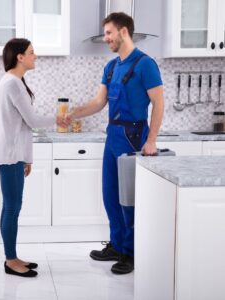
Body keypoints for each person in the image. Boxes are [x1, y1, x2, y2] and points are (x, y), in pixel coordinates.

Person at [66, 12, 164, 274]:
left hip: (134, 137)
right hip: (113, 137)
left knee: (128, 200)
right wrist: (73, 113)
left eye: (109, 33)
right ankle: (118, 245)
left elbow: (159, 103)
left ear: (123, 32)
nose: (106, 38)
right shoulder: (110, 68)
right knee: (110, 196)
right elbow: (99, 103)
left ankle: (131, 253)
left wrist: (152, 140)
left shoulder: (146, 64)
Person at [0, 38, 68, 278]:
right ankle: (11, 260)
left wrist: (27, 158)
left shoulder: (15, 82)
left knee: (12, 206)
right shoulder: (12, 83)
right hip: (10, 154)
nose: (36, 56)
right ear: (19, 57)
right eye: (32, 52)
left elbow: (22, 125)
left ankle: (12, 256)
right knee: (12, 207)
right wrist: (58, 119)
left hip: (14, 154)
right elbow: (32, 121)